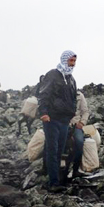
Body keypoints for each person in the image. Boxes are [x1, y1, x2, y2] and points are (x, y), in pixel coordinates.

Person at [38, 50, 78, 189]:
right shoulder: (53, 75)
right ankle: (53, 182)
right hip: (52, 119)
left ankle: (57, 180)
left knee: (60, 150)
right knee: (52, 149)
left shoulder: (71, 79)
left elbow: (73, 98)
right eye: (71, 61)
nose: (72, 64)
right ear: (64, 59)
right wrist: (43, 112)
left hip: (65, 120)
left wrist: (72, 112)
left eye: (74, 61)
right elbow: (44, 93)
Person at [69, 90, 89, 178]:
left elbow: (85, 111)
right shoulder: (60, 92)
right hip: (62, 124)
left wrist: (82, 123)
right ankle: (46, 167)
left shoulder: (80, 95)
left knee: (79, 142)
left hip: (76, 125)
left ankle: (75, 169)